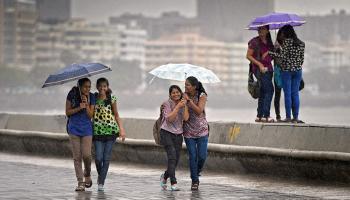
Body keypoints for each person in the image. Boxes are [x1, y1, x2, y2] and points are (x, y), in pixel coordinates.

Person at [93, 78, 126, 191]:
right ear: (97, 87)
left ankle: (101, 183)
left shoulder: (112, 98)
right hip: (97, 132)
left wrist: (121, 130)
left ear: (107, 87)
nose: (102, 88)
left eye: (104, 86)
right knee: (98, 158)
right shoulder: (93, 98)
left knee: (106, 158)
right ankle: (101, 176)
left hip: (111, 131)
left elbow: (116, 115)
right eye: (100, 86)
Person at [268, 25, 305, 123]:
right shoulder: (301, 43)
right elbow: (302, 60)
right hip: (298, 71)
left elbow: (282, 56)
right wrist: (296, 65)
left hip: (287, 71)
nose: (282, 35)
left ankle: (288, 117)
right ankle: (296, 118)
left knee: (287, 94)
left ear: (286, 33)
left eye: (283, 32)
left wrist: (270, 53)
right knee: (295, 94)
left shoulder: (287, 42)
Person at [66, 78, 95, 191]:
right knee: (77, 157)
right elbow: (67, 112)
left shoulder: (92, 96)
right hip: (74, 129)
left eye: (89, 86)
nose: (87, 89)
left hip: (87, 129)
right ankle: (80, 182)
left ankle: (87, 173)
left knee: (87, 155)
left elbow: (91, 115)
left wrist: (86, 105)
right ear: (80, 86)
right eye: (85, 87)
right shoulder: (72, 94)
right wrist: (79, 107)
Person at [159, 85, 189, 191]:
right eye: (173, 93)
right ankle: (173, 183)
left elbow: (185, 118)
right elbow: (170, 119)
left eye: (177, 92)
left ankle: (165, 176)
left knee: (175, 160)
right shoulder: (166, 104)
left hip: (178, 134)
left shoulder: (183, 103)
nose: (176, 94)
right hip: (166, 132)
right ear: (170, 94)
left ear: (181, 93)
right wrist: (177, 107)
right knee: (172, 157)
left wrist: (184, 105)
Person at [182, 76, 209, 191]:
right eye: (185, 85)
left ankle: (196, 172)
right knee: (193, 156)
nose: (185, 87)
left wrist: (189, 101)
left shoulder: (202, 95)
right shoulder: (183, 96)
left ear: (194, 86)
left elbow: (198, 111)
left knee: (202, 156)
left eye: (188, 85)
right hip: (188, 131)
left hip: (202, 130)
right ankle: (195, 180)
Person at [246, 25, 275, 123]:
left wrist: (271, 52)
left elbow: (270, 58)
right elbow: (248, 56)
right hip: (259, 70)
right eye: (259, 29)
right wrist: (259, 64)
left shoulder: (270, 42)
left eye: (262, 29)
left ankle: (259, 115)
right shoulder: (254, 41)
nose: (260, 31)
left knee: (263, 91)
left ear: (267, 31)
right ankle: (266, 115)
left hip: (269, 69)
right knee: (270, 90)